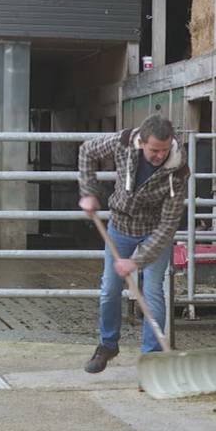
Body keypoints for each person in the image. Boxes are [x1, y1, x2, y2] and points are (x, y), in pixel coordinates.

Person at [78, 115, 188, 373]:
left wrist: (136, 262)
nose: (160, 155)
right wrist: (88, 191)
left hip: (155, 231)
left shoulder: (178, 170)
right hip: (121, 226)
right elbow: (86, 151)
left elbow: (168, 226)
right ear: (142, 142)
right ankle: (107, 345)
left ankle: (151, 360)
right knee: (109, 289)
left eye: (164, 149)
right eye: (154, 150)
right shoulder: (124, 142)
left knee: (151, 293)